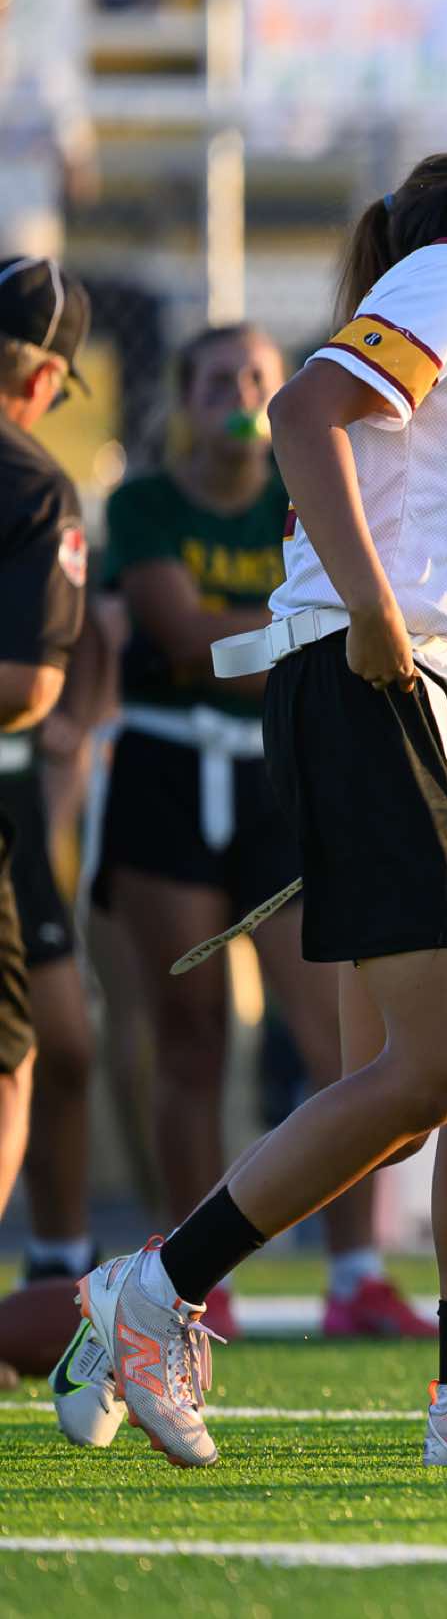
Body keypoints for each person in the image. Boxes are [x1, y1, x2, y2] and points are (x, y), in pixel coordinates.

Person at [72, 78, 447, 1470]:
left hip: (431, 691)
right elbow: (304, 413)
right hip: (376, 686)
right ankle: (153, 1288)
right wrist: (378, 612)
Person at [91, 323, 431, 1342]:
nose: (237, 397)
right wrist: (311, 633)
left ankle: (356, 1273)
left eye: (255, 378)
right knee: (191, 1039)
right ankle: (195, 1276)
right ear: (183, 397)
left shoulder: (308, 488)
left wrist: (288, 634)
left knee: (338, 1041)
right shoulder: (144, 504)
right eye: (216, 379)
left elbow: (244, 634)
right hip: (168, 769)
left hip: (281, 772)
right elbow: (186, 639)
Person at [0, 255, 92, 1427]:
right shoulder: (31, 481)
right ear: (44, 380)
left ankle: (59, 1255)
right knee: (11, 1059)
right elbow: (27, 685)